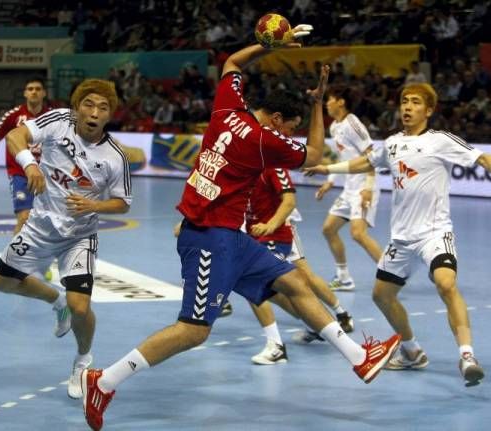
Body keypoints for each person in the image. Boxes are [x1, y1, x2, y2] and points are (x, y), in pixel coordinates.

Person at [81, 30, 400, 431]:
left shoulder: (226, 110)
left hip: (235, 236)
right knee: (194, 331)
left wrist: (268, 47)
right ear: (277, 120)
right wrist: (318, 105)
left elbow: (232, 63)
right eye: (291, 127)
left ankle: (358, 358)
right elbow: (315, 154)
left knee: (296, 284)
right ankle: (104, 381)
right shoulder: (264, 141)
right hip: (210, 239)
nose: (290, 135)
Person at [304, 83, 491, 385]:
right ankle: (412, 351)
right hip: (401, 238)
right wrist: (327, 170)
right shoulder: (391, 143)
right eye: (404, 101)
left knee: (446, 283)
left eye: (415, 102)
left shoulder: (439, 140)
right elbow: (365, 162)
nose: (407, 107)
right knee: (381, 296)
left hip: (434, 233)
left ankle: (467, 355)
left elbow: (480, 156)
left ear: (428, 110)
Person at [0, 79, 132, 399]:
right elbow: (15, 136)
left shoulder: (115, 156)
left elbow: (123, 202)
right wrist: (30, 166)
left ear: (110, 115)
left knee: (80, 307)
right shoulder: (57, 121)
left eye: (103, 107)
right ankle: (56, 303)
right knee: (1, 282)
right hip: (38, 227)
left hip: (78, 237)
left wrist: (95, 205)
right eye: (88, 104)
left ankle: (83, 361)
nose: (94, 112)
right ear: (77, 106)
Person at [245, 167, 355, 365]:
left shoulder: (271, 164)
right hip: (257, 232)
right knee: (278, 285)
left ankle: (338, 315)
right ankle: (318, 322)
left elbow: (288, 200)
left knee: (298, 277)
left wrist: (271, 224)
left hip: (277, 229)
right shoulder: (243, 163)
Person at [316, 86, 383, 291]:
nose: (327, 103)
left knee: (358, 234)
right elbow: (343, 157)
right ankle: (344, 278)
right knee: (328, 229)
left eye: (330, 99)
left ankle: (392, 274)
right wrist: (331, 181)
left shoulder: (353, 124)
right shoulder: (335, 127)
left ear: (341, 102)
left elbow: (372, 156)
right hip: (349, 188)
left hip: (364, 186)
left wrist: (368, 188)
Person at [0, 77, 51, 235]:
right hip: (20, 174)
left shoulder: (52, 116)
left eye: (37, 89)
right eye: (30, 89)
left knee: (50, 222)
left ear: (44, 93)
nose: (34, 92)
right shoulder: (12, 116)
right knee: (24, 218)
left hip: (47, 175)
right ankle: (15, 259)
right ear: (25, 93)